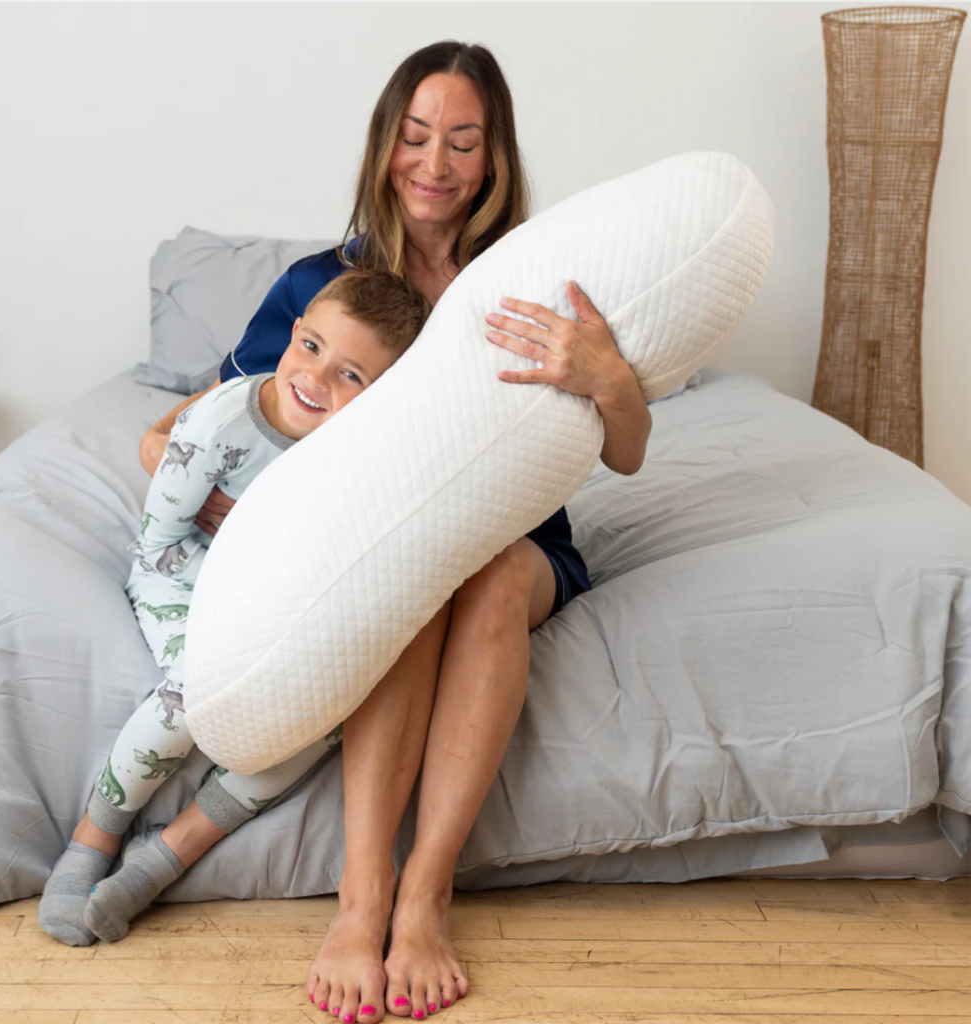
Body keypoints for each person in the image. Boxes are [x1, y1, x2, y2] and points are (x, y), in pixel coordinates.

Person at [138, 42, 652, 1024]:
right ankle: (362, 891)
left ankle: (424, 894)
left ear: (494, 158)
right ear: (384, 145)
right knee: (409, 569)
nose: (434, 163)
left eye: (463, 141)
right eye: (415, 136)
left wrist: (609, 378)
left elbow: (625, 453)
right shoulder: (323, 287)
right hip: (381, 547)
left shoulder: (536, 281)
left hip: (520, 545)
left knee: (482, 571)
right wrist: (185, 477)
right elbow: (194, 424)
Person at [37, 270, 430, 948]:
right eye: (311, 347)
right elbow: (160, 540)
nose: (315, 380)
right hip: (181, 575)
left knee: (320, 716)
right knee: (198, 690)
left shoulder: (358, 453)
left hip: (273, 600)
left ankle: (171, 851)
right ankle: (94, 836)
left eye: (351, 376)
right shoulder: (220, 421)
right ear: (294, 330)